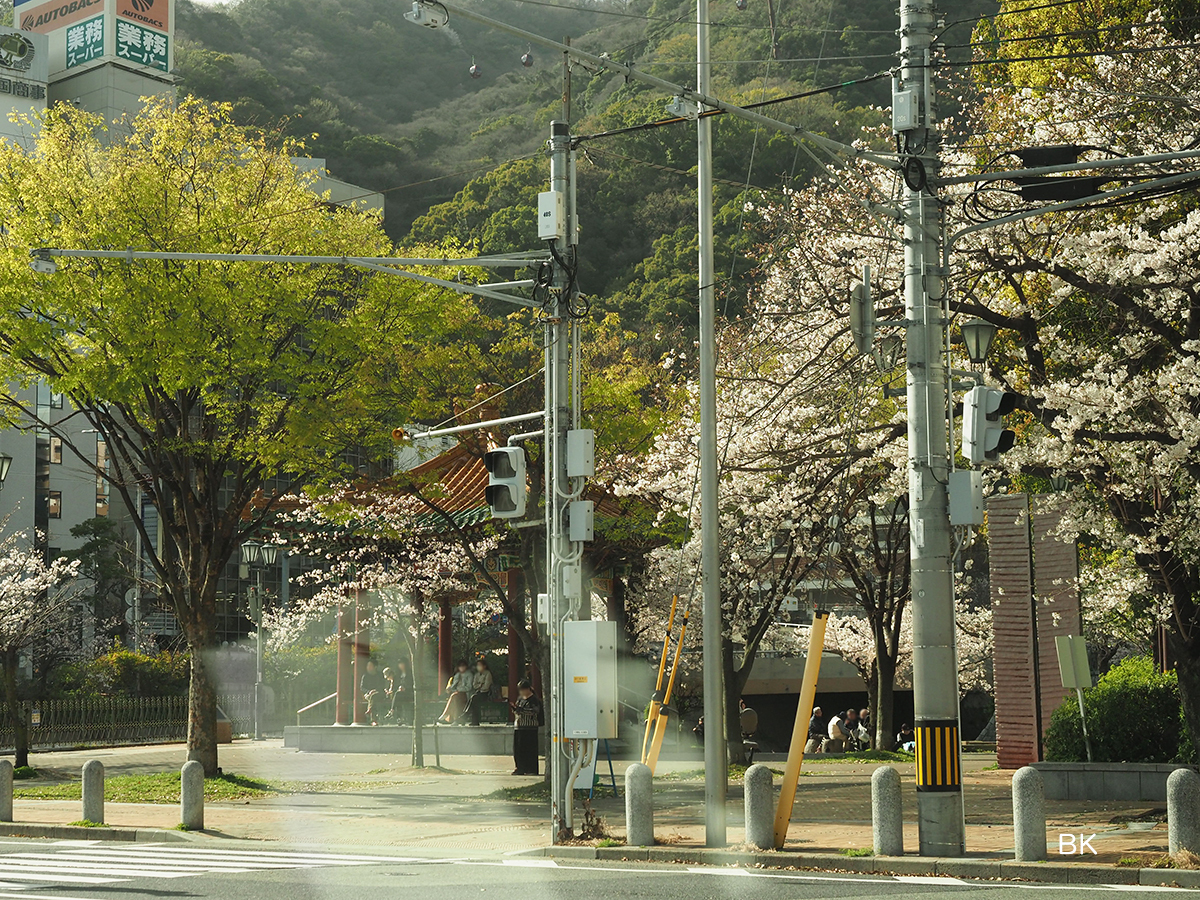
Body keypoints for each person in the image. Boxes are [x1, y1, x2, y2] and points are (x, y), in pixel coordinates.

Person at [511, 679, 542, 775]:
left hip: (530, 727)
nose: (521, 692)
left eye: (523, 689)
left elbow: (535, 711)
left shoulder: (534, 699)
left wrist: (522, 710)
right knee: (518, 749)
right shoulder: (520, 698)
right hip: (519, 726)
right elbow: (517, 709)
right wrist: (515, 709)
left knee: (530, 749)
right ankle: (520, 767)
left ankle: (531, 769)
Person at [461, 657, 494, 726]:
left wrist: (479, 686)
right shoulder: (477, 674)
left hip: (486, 694)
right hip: (478, 693)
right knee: (473, 700)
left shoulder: (488, 674)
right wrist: (480, 685)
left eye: (480, 665)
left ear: (484, 666)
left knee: (474, 698)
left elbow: (486, 686)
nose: (478, 667)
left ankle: (465, 715)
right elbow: (474, 685)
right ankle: (474, 720)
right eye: (477, 665)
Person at [360, 659, 385, 725]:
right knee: (372, 697)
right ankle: (373, 719)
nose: (368, 667)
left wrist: (375, 690)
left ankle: (370, 712)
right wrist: (369, 691)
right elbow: (362, 687)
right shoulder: (365, 676)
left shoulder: (380, 675)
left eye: (370, 665)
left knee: (374, 696)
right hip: (368, 694)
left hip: (379, 693)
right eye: (367, 665)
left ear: (375, 667)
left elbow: (382, 685)